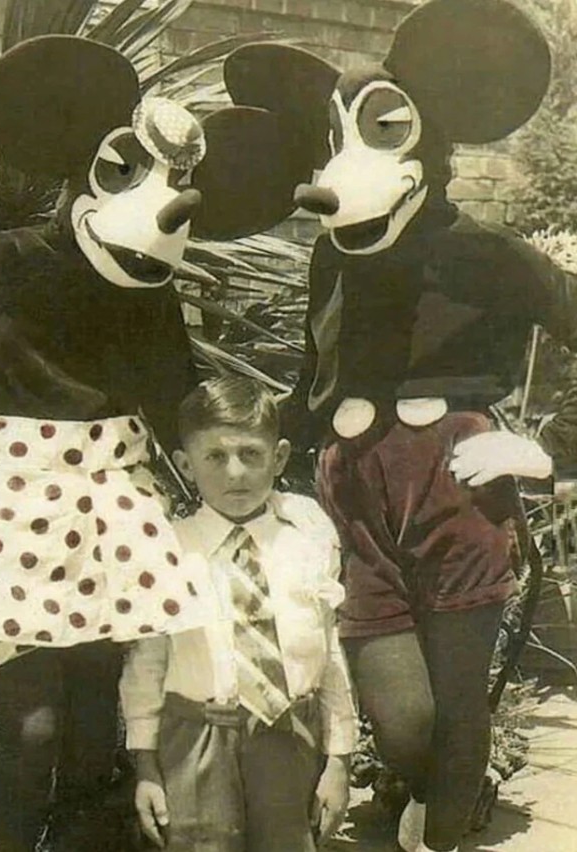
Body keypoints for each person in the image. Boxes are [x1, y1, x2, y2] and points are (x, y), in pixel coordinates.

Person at [0, 34, 312, 851]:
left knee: (100, 726)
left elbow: (181, 407)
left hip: (113, 509)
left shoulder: (149, 293)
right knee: (30, 730)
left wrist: (273, 455)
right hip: (16, 507)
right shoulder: (1, 259)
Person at [220, 3, 575, 848]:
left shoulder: (486, 250)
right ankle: (437, 786)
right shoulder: (329, 253)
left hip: (462, 496)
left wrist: (548, 451)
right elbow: (320, 369)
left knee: (455, 708)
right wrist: (282, 463)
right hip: (358, 500)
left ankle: (445, 825)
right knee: (402, 715)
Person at [121, 375, 357, 852]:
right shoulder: (168, 550)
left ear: (280, 456)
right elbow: (145, 665)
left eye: (250, 454)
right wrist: (145, 766)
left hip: (289, 734)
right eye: (215, 457)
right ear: (186, 465)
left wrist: (339, 761)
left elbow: (330, 650)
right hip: (195, 740)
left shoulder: (307, 540)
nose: (235, 473)